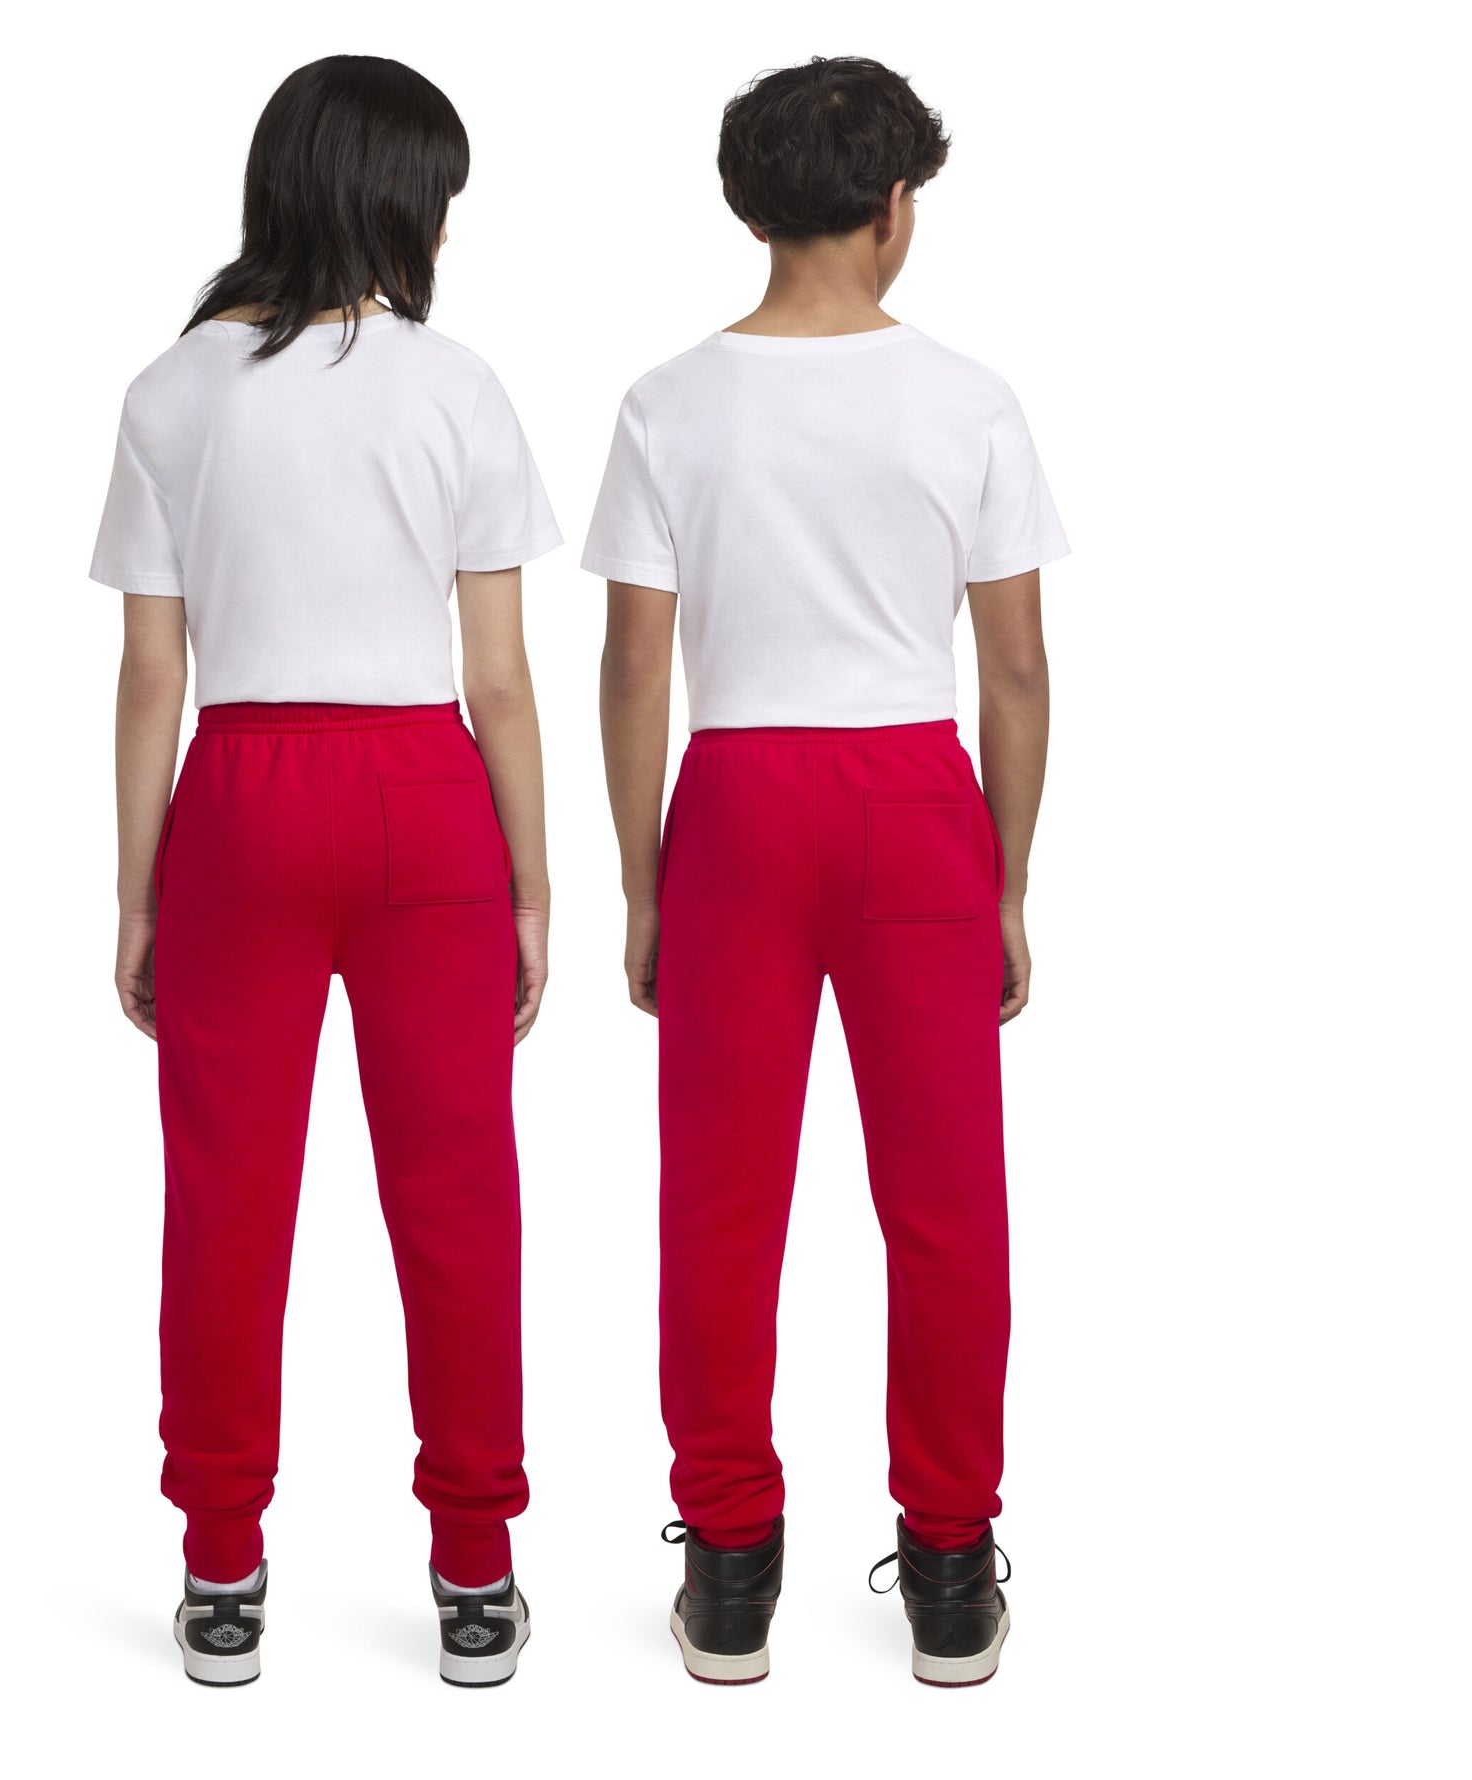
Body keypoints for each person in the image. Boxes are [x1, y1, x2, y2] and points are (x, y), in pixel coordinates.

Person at [588, 55, 1066, 1688]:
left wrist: (644, 880)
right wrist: (1007, 881)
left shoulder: (669, 402)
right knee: (947, 1203)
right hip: (915, 798)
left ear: (748, 210)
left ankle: (730, 1572)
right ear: (896, 207)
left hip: (736, 802)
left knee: (720, 1201)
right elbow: (1014, 667)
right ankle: (950, 1570)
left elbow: (634, 664)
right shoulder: (968, 399)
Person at [90, 55, 557, 1689]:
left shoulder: (174, 390)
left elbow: (153, 675)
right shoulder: (456, 387)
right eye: (437, 195)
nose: (445, 226)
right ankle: (476, 1573)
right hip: (426, 797)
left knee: (226, 1193)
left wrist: (138, 889)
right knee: (458, 1193)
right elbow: (501, 680)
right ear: (395, 199)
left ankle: (221, 1569)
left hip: (239, 800)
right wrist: (533, 886)